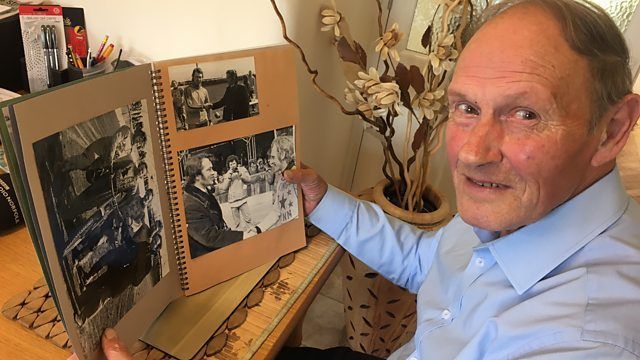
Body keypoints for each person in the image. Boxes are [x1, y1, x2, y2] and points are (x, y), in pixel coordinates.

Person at [89, 0, 640, 359]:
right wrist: (323, 200)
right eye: (467, 107)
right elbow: (435, 262)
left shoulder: (584, 340)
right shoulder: (523, 208)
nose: (471, 153)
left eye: (525, 114)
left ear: (612, 129)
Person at [183, 154, 252, 258]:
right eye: (209, 170)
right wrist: (242, 236)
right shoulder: (190, 204)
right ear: (197, 176)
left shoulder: (202, 190)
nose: (213, 173)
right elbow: (210, 237)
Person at [251, 135, 299, 233]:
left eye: (273, 157)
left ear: (282, 155)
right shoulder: (281, 179)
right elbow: (276, 210)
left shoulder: (298, 176)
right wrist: (258, 228)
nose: (270, 162)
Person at [218, 154, 255, 230]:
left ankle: (253, 233)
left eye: (234, 163)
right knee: (237, 223)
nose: (232, 166)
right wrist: (229, 176)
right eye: (230, 164)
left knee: (248, 219)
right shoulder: (227, 174)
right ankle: (240, 236)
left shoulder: (242, 169)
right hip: (233, 202)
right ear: (228, 166)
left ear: (237, 163)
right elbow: (224, 188)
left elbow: (249, 180)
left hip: (242, 198)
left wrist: (240, 174)